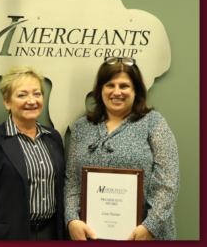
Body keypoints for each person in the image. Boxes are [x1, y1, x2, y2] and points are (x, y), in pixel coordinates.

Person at [64, 57, 179, 241]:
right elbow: (72, 181)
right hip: (92, 235)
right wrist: (71, 219)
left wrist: (151, 226)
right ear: (100, 89)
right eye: (110, 85)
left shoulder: (153, 123)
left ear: (136, 91)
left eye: (124, 86)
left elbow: (168, 182)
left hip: (144, 235)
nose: (116, 92)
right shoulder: (82, 127)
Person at [0, 66, 65, 240]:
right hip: (10, 236)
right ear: (7, 102)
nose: (32, 101)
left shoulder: (53, 138)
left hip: (51, 234)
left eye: (37, 94)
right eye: (22, 95)